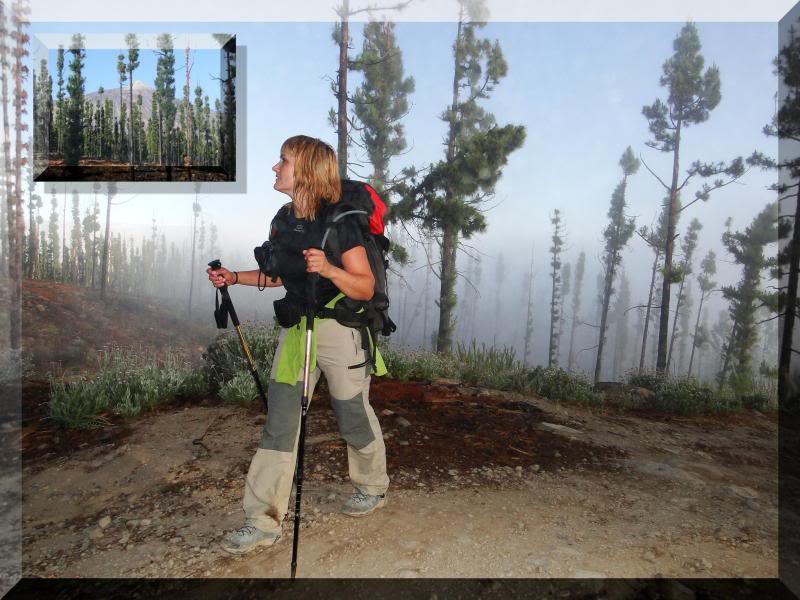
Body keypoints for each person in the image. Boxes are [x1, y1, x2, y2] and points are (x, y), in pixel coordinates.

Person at [207, 135, 390, 555]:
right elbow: (281, 276)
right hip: (296, 331)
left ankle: (373, 486)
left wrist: (328, 267)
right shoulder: (284, 219)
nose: (275, 167)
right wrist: (235, 277)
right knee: (280, 423)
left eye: (283, 160)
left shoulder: (340, 220)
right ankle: (261, 520)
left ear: (305, 170)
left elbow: (364, 287)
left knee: (351, 414)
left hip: (341, 330)